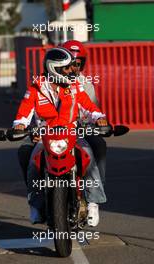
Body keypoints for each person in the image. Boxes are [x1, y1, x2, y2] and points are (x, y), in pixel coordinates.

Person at [14, 47, 108, 226]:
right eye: (66, 68)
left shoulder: (74, 87)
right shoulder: (36, 88)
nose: (71, 71)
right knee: (34, 165)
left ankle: (93, 203)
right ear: (54, 68)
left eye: (72, 67)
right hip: (44, 136)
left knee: (89, 157)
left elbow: (88, 106)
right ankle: (35, 205)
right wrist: (19, 125)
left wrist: (100, 118)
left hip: (71, 133)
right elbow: (24, 111)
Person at [61, 40, 107, 186]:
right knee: (25, 151)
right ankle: (35, 195)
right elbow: (35, 107)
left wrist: (99, 121)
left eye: (78, 63)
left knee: (99, 144)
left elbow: (94, 109)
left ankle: (97, 190)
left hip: (81, 129)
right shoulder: (46, 81)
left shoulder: (86, 83)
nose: (74, 67)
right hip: (53, 131)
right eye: (69, 63)